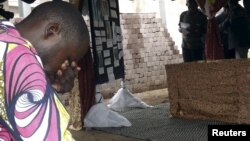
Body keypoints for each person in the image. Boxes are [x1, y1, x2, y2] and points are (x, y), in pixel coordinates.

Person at [0, 1, 89, 141]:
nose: (63, 68)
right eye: (68, 59)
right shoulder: (21, 58)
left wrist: (47, 87)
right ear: (52, 30)